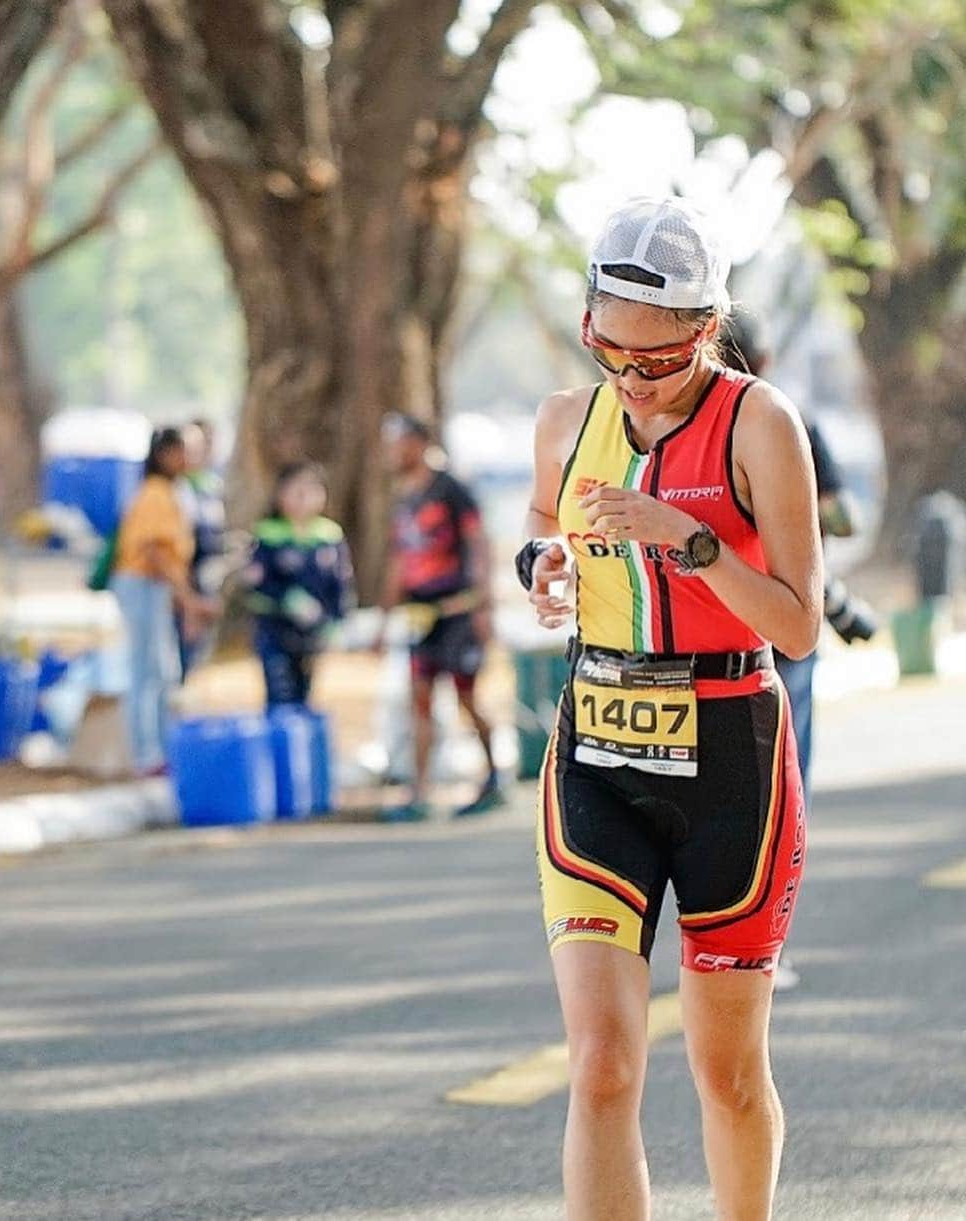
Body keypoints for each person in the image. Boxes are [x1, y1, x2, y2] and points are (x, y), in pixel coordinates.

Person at [518, 197, 820, 1221]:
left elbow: (797, 624)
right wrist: (543, 566)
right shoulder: (569, 418)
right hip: (597, 750)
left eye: (660, 361)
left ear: (707, 330)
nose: (632, 381)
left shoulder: (758, 424)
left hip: (732, 756)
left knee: (725, 1071)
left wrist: (677, 538)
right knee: (602, 1062)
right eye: (611, 352)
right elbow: (535, 522)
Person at [722, 311, 860, 805]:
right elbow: (846, 519)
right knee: (789, 745)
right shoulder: (792, 421)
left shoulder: (694, 433)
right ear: (766, 359)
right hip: (789, 606)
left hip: (722, 613)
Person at [377, 413, 501, 822]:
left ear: (418, 442)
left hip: (458, 611)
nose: (391, 450)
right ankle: (420, 791)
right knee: (420, 697)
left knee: (467, 697)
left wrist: (484, 604)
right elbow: (400, 559)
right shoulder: (403, 497)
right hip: (420, 616)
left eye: (397, 441)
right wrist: (385, 619)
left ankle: (493, 777)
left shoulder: (451, 489)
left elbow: (478, 542)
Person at [111, 427, 215, 775]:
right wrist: (188, 600)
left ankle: (162, 748)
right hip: (142, 584)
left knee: (164, 670)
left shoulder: (177, 492)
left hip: (157, 589)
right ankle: (146, 754)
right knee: (148, 671)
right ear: (166, 454)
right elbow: (155, 552)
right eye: (186, 450)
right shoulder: (155, 493)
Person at [242, 461, 354, 708]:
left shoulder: (328, 536)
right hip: (275, 632)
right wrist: (287, 599)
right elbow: (256, 584)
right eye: (297, 491)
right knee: (280, 695)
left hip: (313, 635)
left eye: (312, 490)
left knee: (305, 695)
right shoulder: (267, 535)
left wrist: (337, 621)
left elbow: (341, 584)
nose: (304, 498)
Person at [176, 419, 227, 678]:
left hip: (207, 579)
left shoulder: (211, 486)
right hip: (183, 584)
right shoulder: (176, 489)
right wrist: (188, 599)